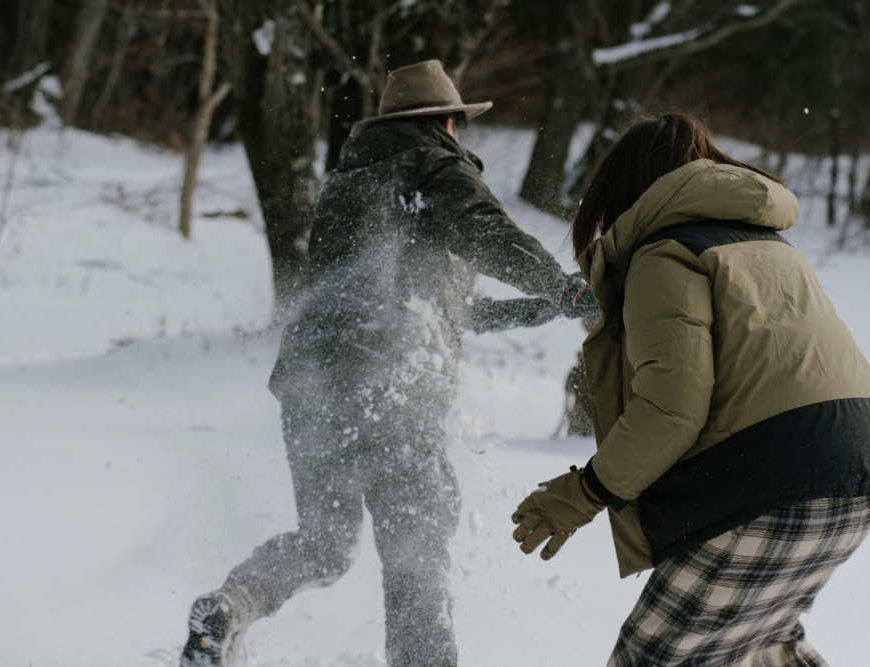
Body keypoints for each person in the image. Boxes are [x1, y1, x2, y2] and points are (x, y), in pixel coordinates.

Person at [180, 59, 595, 667]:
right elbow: (487, 232)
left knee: (323, 542)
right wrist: (565, 288)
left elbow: (427, 308)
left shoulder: (349, 183)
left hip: (312, 387)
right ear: (448, 121)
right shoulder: (434, 165)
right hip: (392, 389)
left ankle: (229, 606)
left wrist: (539, 307)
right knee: (416, 550)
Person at [511, 111, 870, 666]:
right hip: (858, 471)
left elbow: (672, 407)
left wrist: (586, 493)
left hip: (772, 482)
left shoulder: (665, 254)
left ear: (625, 192)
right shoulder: (764, 243)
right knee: (761, 646)